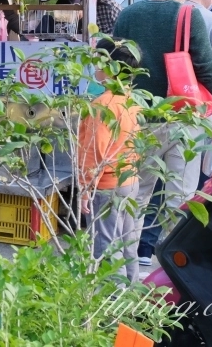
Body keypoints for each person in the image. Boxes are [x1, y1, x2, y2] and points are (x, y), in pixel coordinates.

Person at [113, 0, 212, 265]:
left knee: (136, 195)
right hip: (182, 120)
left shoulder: (128, 14)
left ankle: (125, 266)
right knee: (178, 198)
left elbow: (112, 63)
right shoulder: (189, 14)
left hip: (138, 119)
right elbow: (207, 67)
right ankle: (168, 269)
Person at [79, 40, 142, 282]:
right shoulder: (131, 100)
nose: (95, 66)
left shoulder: (102, 105)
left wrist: (85, 188)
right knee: (127, 245)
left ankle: (112, 302)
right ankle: (131, 294)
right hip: (129, 180)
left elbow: (94, 152)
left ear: (110, 67)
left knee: (106, 250)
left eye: (99, 61)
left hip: (105, 186)